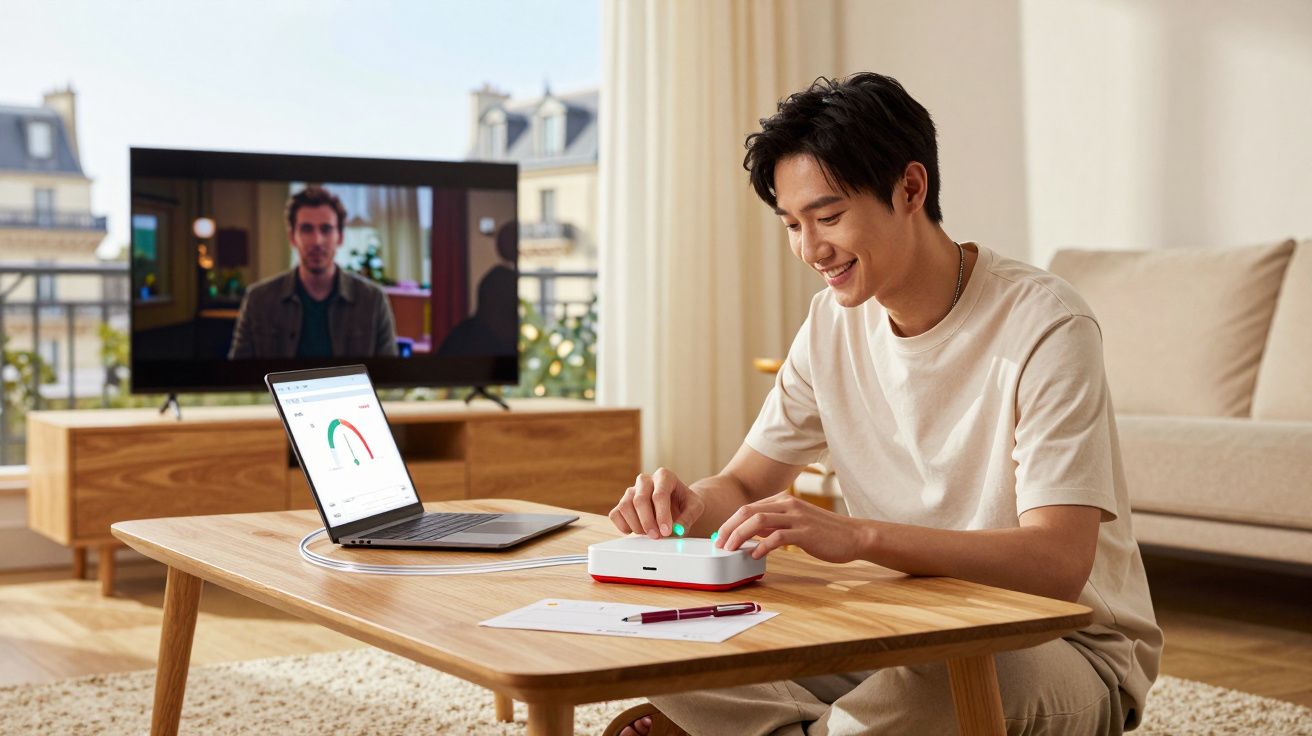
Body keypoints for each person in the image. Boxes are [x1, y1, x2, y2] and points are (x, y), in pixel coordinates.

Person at [611, 73, 1161, 736]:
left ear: (909, 188)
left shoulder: (1047, 324)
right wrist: (691, 507)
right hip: (892, 629)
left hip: (1053, 646)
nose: (811, 250)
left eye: (829, 216)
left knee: (956, 676)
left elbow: (1057, 566)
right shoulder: (829, 325)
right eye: (793, 224)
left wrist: (862, 538)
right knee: (664, 632)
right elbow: (743, 483)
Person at [228, 185, 398, 359]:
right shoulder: (259, 299)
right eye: (307, 229)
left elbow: (390, 378)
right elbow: (237, 379)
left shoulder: (373, 300)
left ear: (340, 237)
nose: (317, 241)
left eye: (326, 229)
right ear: (292, 237)